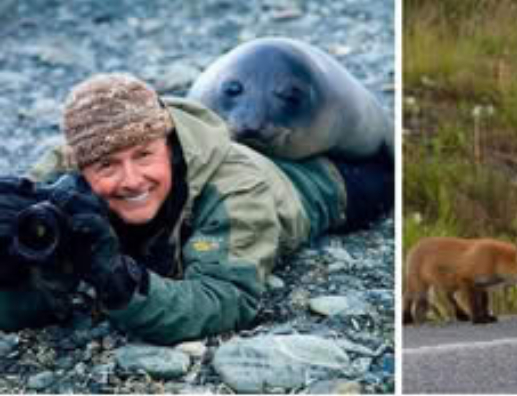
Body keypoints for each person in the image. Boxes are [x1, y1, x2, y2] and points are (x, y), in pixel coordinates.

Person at [0, 73, 392, 344]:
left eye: (144, 155)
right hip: (237, 145)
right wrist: (19, 265)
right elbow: (26, 294)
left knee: (389, 175)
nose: (132, 179)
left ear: (167, 145)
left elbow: (225, 299)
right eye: (107, 165)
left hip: (318, 185)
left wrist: (117, 279)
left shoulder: (235, 190)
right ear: (79, 164)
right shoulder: (60, 181)